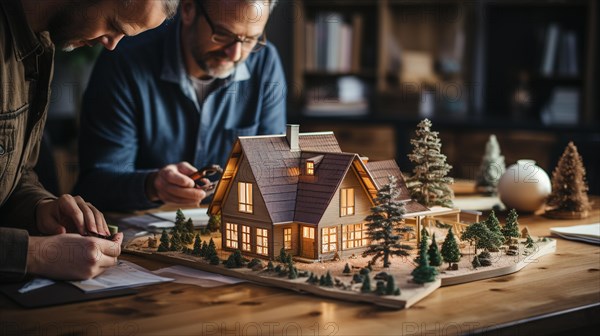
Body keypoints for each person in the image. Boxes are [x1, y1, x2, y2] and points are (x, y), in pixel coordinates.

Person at [0, 0, 179, 282]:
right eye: (113, 25)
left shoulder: (43, 43)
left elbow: (16, 174)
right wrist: (34, 253)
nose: (111, 45)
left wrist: (40, 210)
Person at [74, 0, 287, 212]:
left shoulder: (265, 64)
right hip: (138, 228)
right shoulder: (124, 62)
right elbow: (95, 186)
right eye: (222, 34)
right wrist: (152, 186)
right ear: (187, 9)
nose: (236, 54)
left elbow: (270, 175)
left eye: (251, 39)